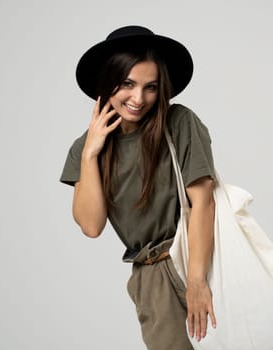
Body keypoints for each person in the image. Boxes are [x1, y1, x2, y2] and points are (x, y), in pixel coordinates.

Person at [59, 25, 217, 349]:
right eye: (127, 84)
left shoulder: (179, 122)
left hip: (199, 259)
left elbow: (203, 203)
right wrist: (91, 153)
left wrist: (198, 281)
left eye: (150, 87)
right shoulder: (84, 149)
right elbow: (91, 225)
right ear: (108, 82)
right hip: (152, 276)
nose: (138, 98)